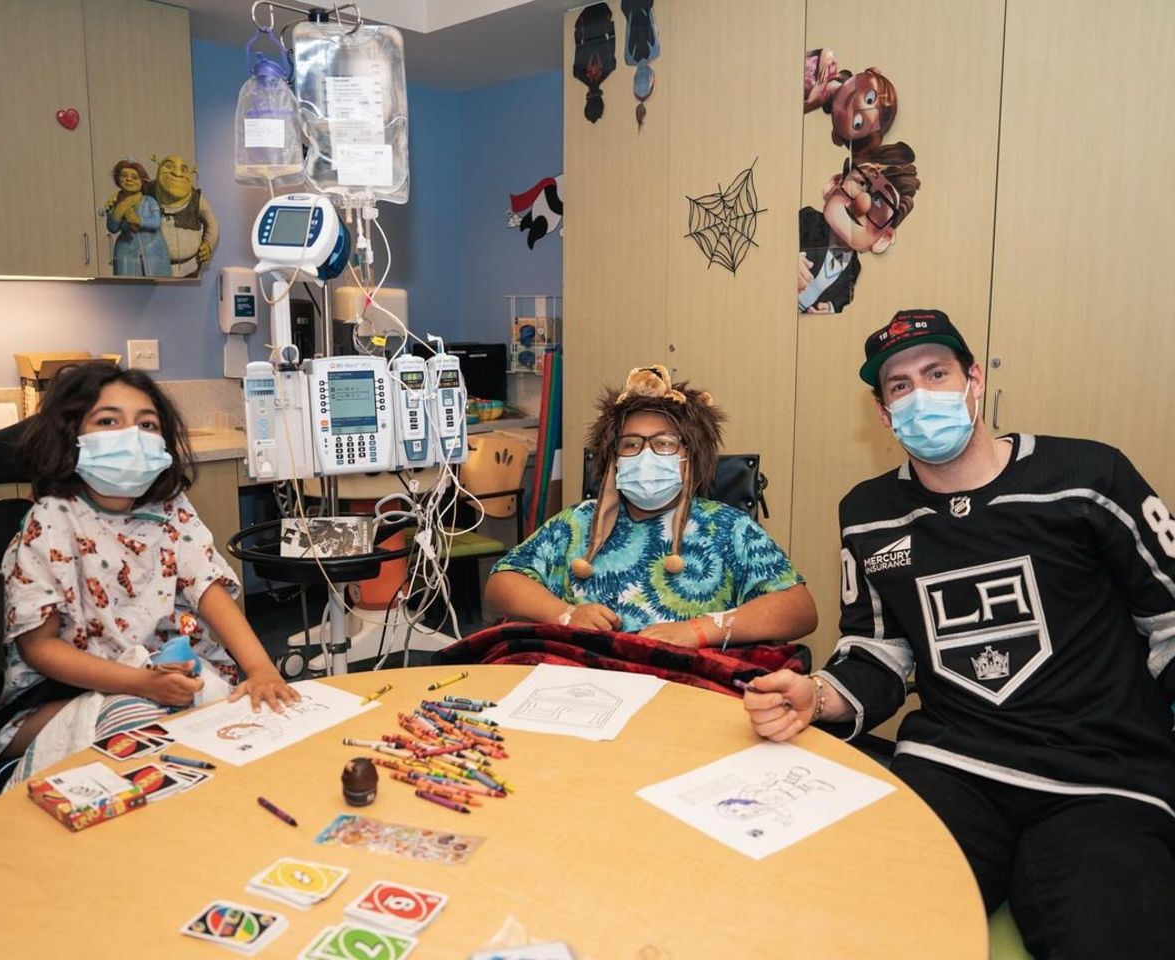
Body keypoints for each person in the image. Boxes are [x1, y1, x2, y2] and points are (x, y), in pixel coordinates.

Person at [743, 309, 1175, 958]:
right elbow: (877, 649)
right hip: (952, 769)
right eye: (899, 386)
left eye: (936, 373)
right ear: (884, 414)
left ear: (973, 381)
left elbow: (1169, 621)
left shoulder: (1090, 479)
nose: (920, 395)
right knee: (845, 924)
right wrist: (819, 695)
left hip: (1098, 778)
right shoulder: (869, 516)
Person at [0, 363, 298, 773]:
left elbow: (208, 589)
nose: (130, 436)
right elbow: (39, 647)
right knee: (145, 733)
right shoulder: (52, 520)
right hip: (61, 698)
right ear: (71, 435)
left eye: (147, 424)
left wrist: (261, 670)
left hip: (170, 679)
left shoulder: (170, 511)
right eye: (108, 420)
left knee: (256, 721)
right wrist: (141, 684)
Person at [485, 364, 817, 648]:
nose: (646, 456)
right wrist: (567, 615)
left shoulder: (729, 529)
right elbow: (503, 581)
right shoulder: (578, 522)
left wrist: (697, 631)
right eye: (630, 444)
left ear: (690, 458)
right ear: (613, 458)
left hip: (684, 689)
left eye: (663, 443)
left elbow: (799, 609)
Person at [798, 142, 920, 314]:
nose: (861, 204)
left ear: (883, 239)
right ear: (834, 185)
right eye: (861, 183)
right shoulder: (806, 221)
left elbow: (843, 298)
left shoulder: (854, 268)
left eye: (879, 203)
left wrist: (831, 307)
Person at [104, 159, 171, 277]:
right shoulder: (117, 204)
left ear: (142, 181)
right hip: (126, 251)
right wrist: (119, 209)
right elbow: (112, 227)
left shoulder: (149, 201)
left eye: (135, 177)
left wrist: (138, 220)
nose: (129, 179)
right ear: (117, 179)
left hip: (153, 249)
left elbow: (156, 222)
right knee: (127, 286)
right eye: (124, 176)